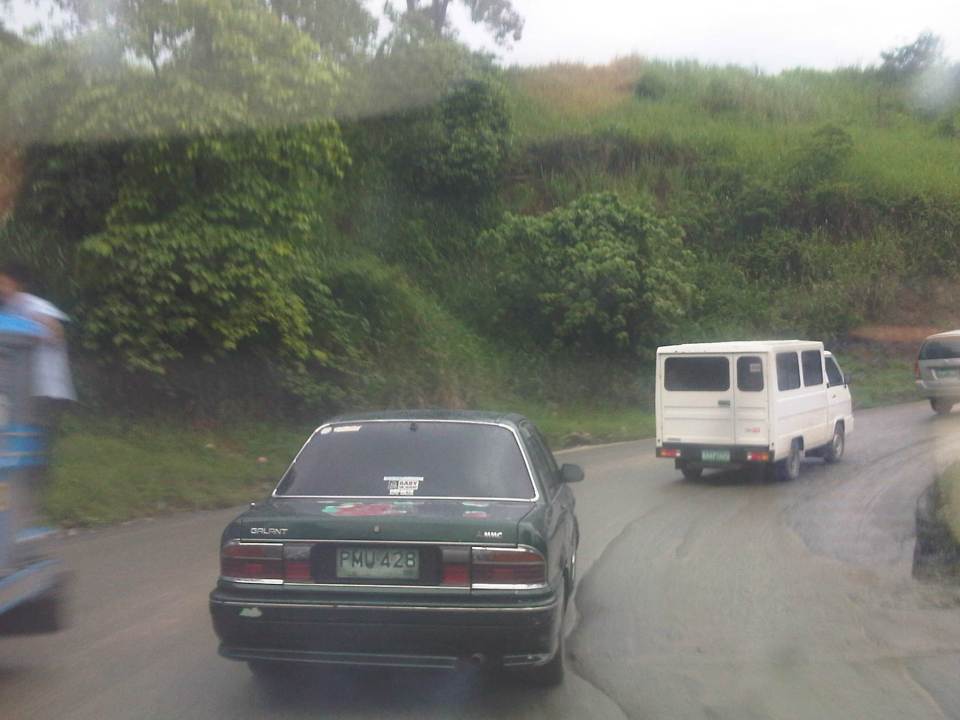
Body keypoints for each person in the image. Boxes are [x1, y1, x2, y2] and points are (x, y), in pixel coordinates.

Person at [0, 260, 76, 433]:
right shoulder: (8, 310)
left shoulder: (34, 304)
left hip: (46, 384)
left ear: (18, 284)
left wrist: (32, 330)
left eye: (4, 283)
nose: (1, 288)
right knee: (15, 430)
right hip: (21, 386)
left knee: (34, 431)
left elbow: (57, 332)